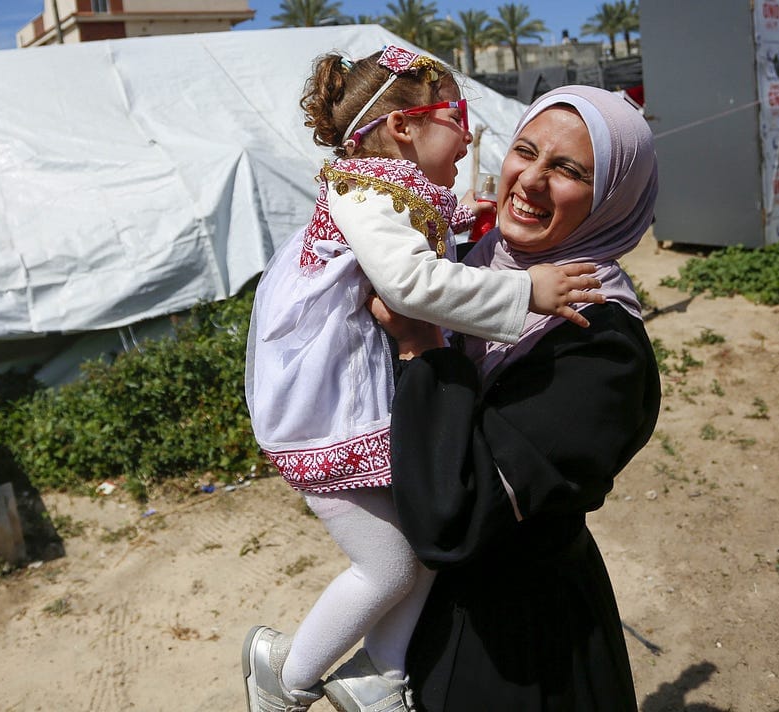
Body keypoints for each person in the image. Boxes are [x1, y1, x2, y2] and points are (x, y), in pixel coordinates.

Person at [241, 47, 605, 712]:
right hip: (323, 412)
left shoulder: (384, 192)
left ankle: (380, 670)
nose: (468, 134)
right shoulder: (365, 194)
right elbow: (409, 281)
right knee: (388, 566)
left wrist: (468, 222)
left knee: (424, 542)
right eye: (457, 115)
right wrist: (526, 291)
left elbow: (418, 247)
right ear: (404, 127)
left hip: (352, 397)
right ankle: (285, 678)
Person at [371, 85, 661, 711]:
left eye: (569, 170)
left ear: (613, 199)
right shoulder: (468, 268)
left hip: (520, 647)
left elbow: (453, 518)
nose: (530, 180)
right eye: (525, 151)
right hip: (427, 618)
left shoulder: (601, 349)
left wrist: (422, 348)